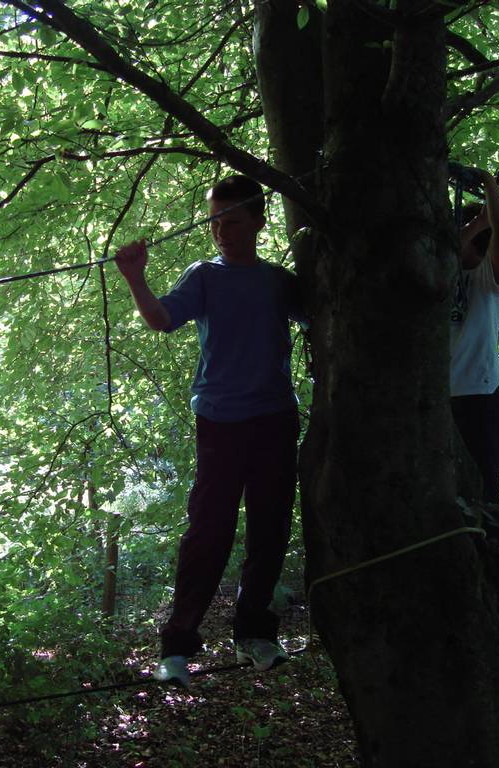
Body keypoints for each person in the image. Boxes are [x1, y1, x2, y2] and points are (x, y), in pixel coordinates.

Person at [115, 174, 302, 687]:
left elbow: (323, 316)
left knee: (270, 528)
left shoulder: (279, 281)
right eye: (214, 220)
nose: (220, 229)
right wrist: (135, 277)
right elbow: (161, 319)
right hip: (219, 421)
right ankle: (177, 646)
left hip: (274, 418)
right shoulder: (205, 276)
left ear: (259, 221)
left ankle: (255, 634)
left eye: (231, 219)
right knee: (208, 532)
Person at [450, 168, 499, 544]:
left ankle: (493, 560)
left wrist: (489, 183)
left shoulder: (490, 279)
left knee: (484, 491)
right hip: (440, 401)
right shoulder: (442, 271)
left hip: (479, 399)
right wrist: (477, 221)